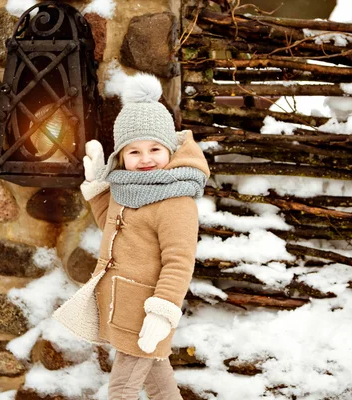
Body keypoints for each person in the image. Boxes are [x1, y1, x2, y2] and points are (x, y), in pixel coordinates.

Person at [53, 73, 210, 399]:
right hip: (122, 308)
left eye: (154, 148)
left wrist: (162, 310)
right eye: (134, 152)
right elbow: (112, 226)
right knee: (159, 385)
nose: (145, 159)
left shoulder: (175, 201)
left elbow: (179, 261)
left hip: (145, 312)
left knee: (122, 388)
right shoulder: (126, 189)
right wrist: (98, 189)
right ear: (121, 157)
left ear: (169, 149)